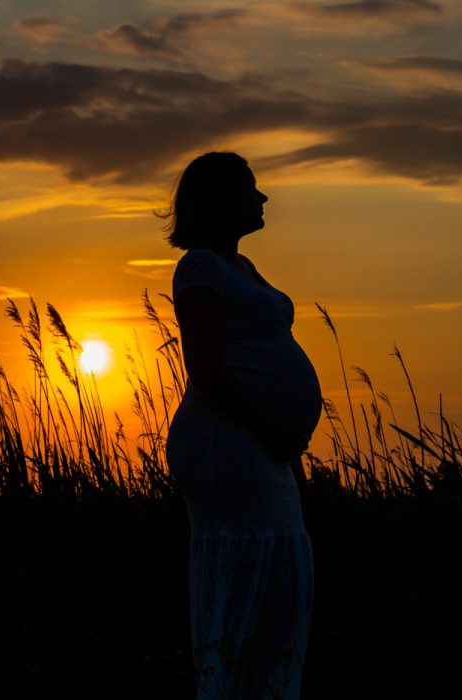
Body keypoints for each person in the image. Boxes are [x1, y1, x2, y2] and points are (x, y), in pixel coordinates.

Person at [164, 151, 322, 699]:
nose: (263, 198)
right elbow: (205, 368)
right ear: (218, 200)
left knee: (281, 572)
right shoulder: (201, 267)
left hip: (262, 446)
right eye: (250, 188)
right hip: (228, 443)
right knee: (245, 573)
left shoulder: (241, 269)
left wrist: (285, 446)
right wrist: (269, 431)